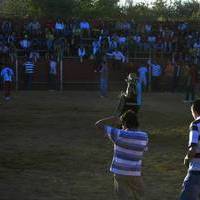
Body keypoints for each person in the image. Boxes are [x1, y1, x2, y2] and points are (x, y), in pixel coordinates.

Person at [95, 110, 148, 200]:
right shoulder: (144, 136)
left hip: (119, 172)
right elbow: (144, 150)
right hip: (134, 172)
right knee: (140, 195)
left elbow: (98, 124)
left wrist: (112, 119)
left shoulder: (118, 134)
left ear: (124, 123)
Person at [179, 99, 200, 200]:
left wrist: (187, 159)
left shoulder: (195, 124)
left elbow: (193, 149)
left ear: (195, 111)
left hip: (196, 170)